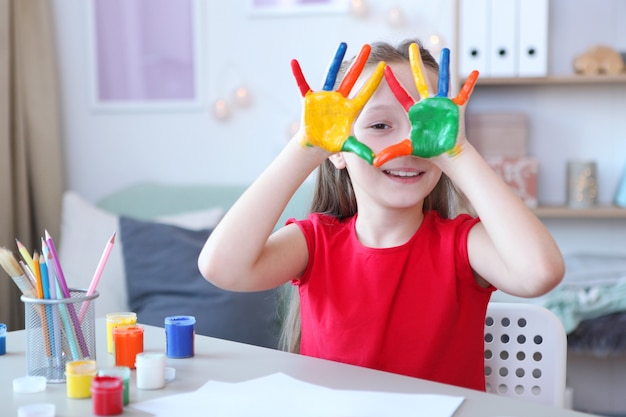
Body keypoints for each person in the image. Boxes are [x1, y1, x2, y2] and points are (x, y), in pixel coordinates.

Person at [198, 39, 564, 391]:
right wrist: (306, 147)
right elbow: (223, 268)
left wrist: (458, 153)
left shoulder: (462, 246)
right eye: (379, 126)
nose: (408, 146)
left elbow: (540, 274)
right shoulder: (315, 244)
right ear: (337, 146)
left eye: (425, 126)